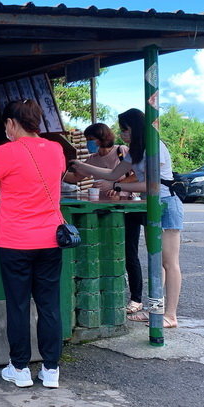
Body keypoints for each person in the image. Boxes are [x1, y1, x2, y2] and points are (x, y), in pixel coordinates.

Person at [0, 99, 66, 389]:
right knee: (49, 305)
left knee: (18, 305)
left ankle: (19, 368)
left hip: (16, 242)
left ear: (11, 123)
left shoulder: (7, 152)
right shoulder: (56, 149)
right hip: (50, 240)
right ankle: (50, 369)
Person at [69, 108, 183, 328]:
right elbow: (112, 173)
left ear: (137, 128)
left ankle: (170, 315)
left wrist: (117, 186)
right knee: (155, 260)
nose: (122, 134)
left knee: (169, 262)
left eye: (125, 129)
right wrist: (82, 166)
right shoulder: (134, 151)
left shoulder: (154, 146)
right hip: (151, 206)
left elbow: (152, 186)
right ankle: (154, 310)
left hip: (167, 204)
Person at [68, 123, 145, 314]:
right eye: (87, 140)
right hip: (102, 211)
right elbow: (75, 177)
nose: (88, 144)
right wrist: (55, 172)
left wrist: (115, 184)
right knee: (104, 253)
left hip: (124, 210)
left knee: (129, 254)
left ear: (101, 137)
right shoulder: (92, 159)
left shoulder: (121, 151)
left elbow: (137, 174)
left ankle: (136, 298)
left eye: (91, 139)